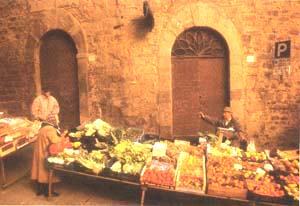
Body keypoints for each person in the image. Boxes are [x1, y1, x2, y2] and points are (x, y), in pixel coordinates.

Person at [31, 115, 63, 197]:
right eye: (57, 120)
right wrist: (63, 137)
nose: (58, 121)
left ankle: (40, 190)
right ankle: (48, 192)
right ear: (53, 121)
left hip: (39, 151)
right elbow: (55, 140)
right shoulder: (50, 129)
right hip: (45, 152)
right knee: (46, 172)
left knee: (39, 171)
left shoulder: (43, 127)